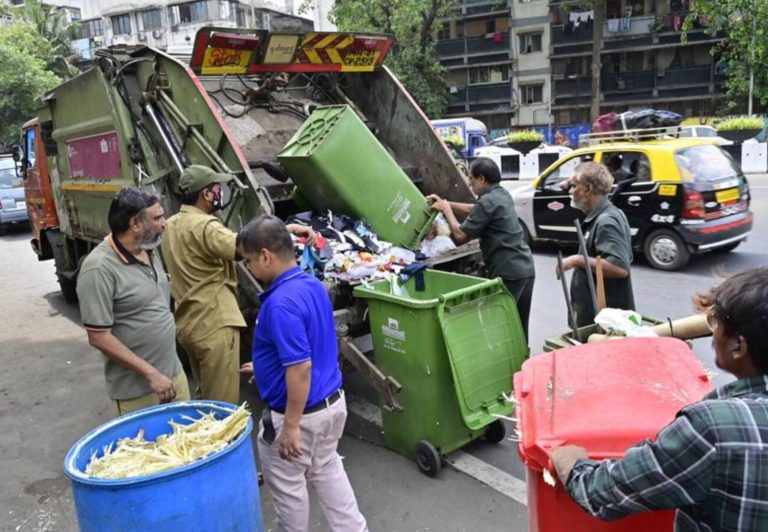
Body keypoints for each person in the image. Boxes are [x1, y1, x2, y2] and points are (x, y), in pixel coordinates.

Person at [551, 267, 768, 529]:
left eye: (716, 324)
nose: (712, 334)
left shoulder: (713, 428)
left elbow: (602, 493)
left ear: (738, 347)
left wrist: (569, 461)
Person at [237, 215, 367, 532]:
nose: (250, 268)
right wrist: (266, 367)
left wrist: (291, 426)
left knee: (289, 488)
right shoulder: (312, 285)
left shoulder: (279, 304)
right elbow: (310, 347)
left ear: (266, 255)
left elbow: (300, 366)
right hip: (332, 406)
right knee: (326, 469)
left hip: (301, 417)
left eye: (250, 260)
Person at [162, 165, 314, 404]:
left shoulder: (171, 224)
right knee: (222, 407)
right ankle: (225, 442)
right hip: (213, 322)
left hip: (188, 324)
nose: (219, 193)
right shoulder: (205, 226)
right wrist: (288, 230)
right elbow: (245, 247)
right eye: (216, 188)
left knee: (205, 396)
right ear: (205, 194)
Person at [77, 187, 190, 416]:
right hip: (139, 390)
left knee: (188, 445)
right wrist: (152, 374)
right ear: (135, 224)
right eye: (158, 218)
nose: (164, 223)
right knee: (149, 449)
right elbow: (98, 337)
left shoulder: (148, 248)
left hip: (173, 374)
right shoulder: (99, 268)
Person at [428, 157, 535, 341]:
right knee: (519, 325)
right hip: (525, 269)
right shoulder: (501, 194)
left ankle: (503, 365)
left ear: (482, 179)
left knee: (498, 325)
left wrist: (446, 211)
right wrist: (447, 203)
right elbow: (474, 208)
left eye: (471, 178)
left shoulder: (487, 202)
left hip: (508, 272)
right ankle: (522, 364)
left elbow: (460, 237)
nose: (469, 182)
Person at [558, 162, 635, 327]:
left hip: (603, 322)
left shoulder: (606, 221)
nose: (571, 191)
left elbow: (620, 268)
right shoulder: (602, 216)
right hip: (594, 316)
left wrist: (576, 260)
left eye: (574, 186)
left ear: (587, 189)